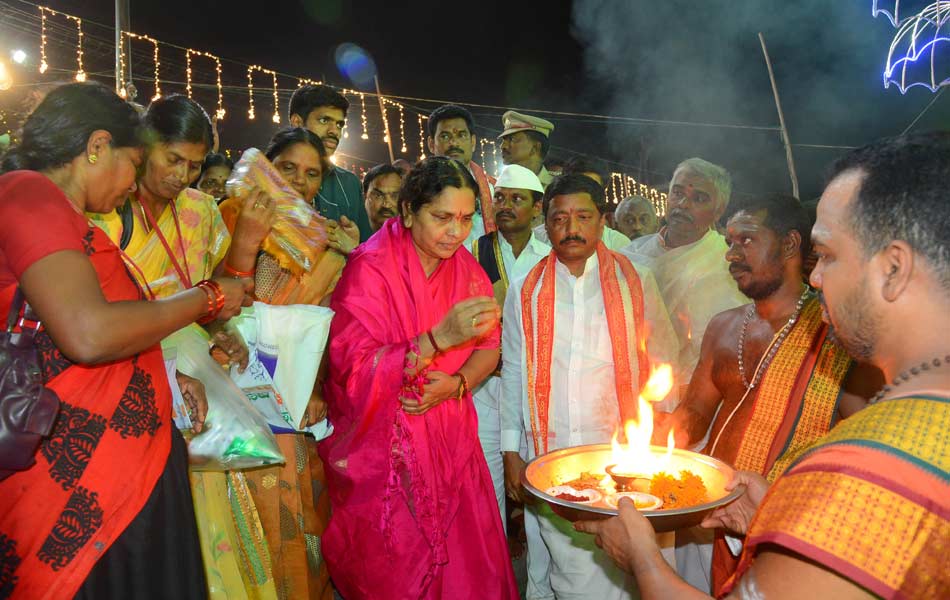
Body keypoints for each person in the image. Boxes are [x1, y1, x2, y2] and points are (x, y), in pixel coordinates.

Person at [576, 132, 950, 600]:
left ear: (893, 269)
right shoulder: (921, 418)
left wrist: (642, 559)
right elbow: (695, 412)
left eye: (828, 256)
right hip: (725, 505)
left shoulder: (871, 462)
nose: (816, 276)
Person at [0, 82, 250, 599]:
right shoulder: (28, 196)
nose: (136, 182)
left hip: (122, 464)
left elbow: (103, 328)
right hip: (78, 480)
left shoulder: (61, 212)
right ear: (95, 148)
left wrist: (170, 376)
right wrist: (207, 298)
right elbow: (88, 334)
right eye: (134, 164)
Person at [652, 192, 880, 593]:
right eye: (729, 242)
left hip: (784, 523)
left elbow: (868, 436)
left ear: (791, 244)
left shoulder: (834, 335)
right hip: (706, 511)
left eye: (747, 240)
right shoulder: (723, 326)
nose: (731, 254)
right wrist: (657, 438)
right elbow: (697, 411)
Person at [319, 156, 518, 599]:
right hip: (384, 451)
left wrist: (458, 384)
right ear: (409, 212)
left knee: (467, 571)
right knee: (392, 572)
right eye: (442, 217)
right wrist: (435, 339)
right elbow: (351, 370)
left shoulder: (467, 271)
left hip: (449, 437)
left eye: (466, 219)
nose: (456, 232)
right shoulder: (368, 269)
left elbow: (488, 349)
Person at [501, 174, 678, 600]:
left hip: (618, 453)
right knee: (556, 566)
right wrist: (510, 450)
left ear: (602, 222)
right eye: (559, 219)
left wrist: (659, 438)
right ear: (546, 225)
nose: (571, 228)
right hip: (548, 451)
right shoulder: (526, 288)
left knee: (607, 569)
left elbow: (664, 357)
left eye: (582, 217)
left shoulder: (637, 279)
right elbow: (513, 369)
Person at [621, 158, 748, 392]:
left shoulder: (729, 263)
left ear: (718, 210)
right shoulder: (629, 255)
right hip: (630, 387)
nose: (683, 204)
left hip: (697, 392)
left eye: (699, 198)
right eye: (677, 193)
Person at [469, 163, 550, 525]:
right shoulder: (473, 252)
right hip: (486, 389)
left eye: (517, 199)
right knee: (487, 491)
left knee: (538, 487)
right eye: (499, 197)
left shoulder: (550, 258)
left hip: (533, 390)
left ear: (536, 209)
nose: (505, 204)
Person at [220, 127, 352, 307]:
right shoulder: (234, 212)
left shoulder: (323, 240)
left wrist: (356, 255)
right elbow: (208, 287)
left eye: (312, 174)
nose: (299, 180)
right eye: (288, 168)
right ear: (268, 167)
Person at [289, 84, 373, 241]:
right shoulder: (271, 175)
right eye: (324, 120)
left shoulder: (349, 183)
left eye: (339, 124)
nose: (334, 131)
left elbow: (367, 250)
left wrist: (355, 251)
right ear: (297, 123)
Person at [426, 104, 497, 243]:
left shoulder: (494, 191)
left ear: (473, 142)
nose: (454, 143)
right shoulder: (418, 190)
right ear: (431, 144)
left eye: (461, 135)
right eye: (445, 136)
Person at [533, 157, 632, 251]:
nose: (584, 197)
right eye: (577, 188)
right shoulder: (536, 240)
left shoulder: (618, 243)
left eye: (593, 189)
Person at [499, 110, 555, 189]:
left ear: (535, 147)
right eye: (504, 140)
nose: (503, 146)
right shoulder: (496, 186)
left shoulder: (557, 188)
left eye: (512, 139)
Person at [362, 162, 403, 232]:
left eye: (394, 196)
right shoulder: (352, 236)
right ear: (364, 197)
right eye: (378, 195)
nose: (387, 205)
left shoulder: (412, 238)